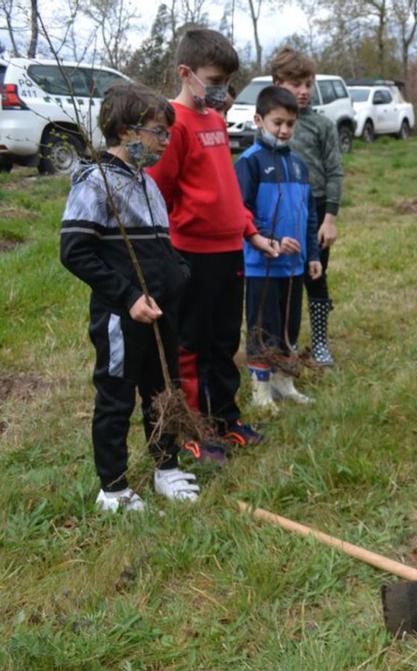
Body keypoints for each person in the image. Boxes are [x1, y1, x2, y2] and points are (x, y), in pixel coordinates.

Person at [59, 82, 200, 511]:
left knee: (164, 390)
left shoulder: (147, 183)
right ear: (124, 131)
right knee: (116, 396)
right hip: (123, 317)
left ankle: (166, 467)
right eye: (158, 132)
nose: (164, 142)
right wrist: (127, 297)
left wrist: (179, 273)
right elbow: (74, 250)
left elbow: (161, 245)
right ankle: (114, 487)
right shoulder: (94, 183)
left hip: (162, 313)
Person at [147, 28, 278, 462]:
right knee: (192, 342)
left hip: (228, 253)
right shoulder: (174, 125)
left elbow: (226, 191)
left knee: (223, 340)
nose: (221, 89)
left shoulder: (217, 121)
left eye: (226, 81)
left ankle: (224, 417)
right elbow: (157, 193)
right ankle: (192, 425)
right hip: (191, 255)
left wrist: (249, 229)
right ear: (186, 73)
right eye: (214, 79)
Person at [235, 86, 323, 413]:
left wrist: (312, 254)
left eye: (290, 123)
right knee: (262, 325)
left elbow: (309, 213)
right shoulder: (249, 163)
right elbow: (241, 210)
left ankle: (284, 381)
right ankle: (260, 390)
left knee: (288, 325)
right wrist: (269, 238)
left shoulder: (299, 165)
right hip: (262, 264)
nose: (284, 130)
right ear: (259, 120)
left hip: (294, 266)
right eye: (277, 123)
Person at [270, 47, 344, 367]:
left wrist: (329, 219)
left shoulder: (321, 126)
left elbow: (334, 172)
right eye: (295, 83)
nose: (302, 91)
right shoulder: (270, 124)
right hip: (277, 211)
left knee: (315, 275)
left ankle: (320, 343)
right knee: (282, 281)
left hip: (313, 211)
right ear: (277, 82)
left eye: (308, 84)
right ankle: (286, 340)